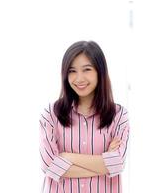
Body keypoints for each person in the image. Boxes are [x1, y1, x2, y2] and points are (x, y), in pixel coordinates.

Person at [39, 40, 130, 193]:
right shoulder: (50, 114)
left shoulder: (119, 115)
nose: (79, 78)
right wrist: (103, 162)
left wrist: (68, 157)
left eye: (86, 69)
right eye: (72, 71)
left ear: (99, 71)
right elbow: (49, 166)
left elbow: (117, 163)